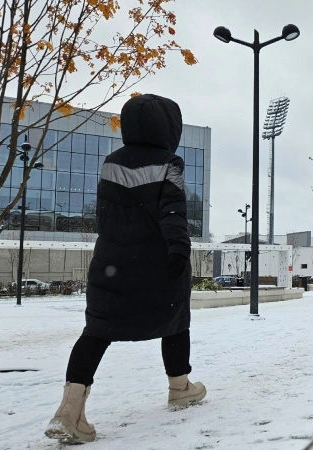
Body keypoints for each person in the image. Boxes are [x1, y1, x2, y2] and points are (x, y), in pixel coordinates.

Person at [45, 94, 206, 444]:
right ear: (169, 127)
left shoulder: (110, 163)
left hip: (111, 263)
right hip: (156, 261)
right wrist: (178, 251)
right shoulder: (170, 163)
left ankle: (69, 411)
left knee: (97, 332)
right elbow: (173, 212)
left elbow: (108, 216)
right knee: (176, 320)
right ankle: (180, 387)